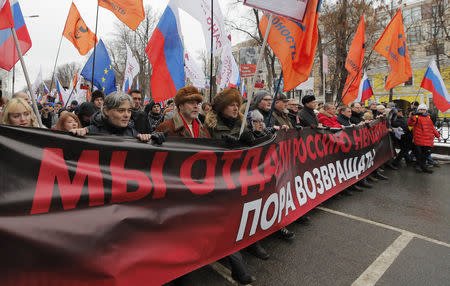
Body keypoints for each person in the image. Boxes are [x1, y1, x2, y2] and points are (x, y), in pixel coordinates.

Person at [70, 91, 165, 144]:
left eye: (129, 110)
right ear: (106, 111)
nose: (127, 115)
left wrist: (150, 139)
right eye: (121, 110)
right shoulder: (89, 132)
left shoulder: (133, 133)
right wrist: (77, 136)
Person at [408, 104, 440, 173]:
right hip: (419, 139)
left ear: (426, 110)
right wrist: (411, 117)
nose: (421, 111)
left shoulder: (428, 118)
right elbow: (410, 124)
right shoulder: (416, 117)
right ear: (418, 110)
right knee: (419, 154)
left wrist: (438, 136)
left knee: (425, 154)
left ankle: (422, 166)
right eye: (420, 109)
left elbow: (432, 128)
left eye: (423, 109)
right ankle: (419, 166)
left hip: (428, 139)